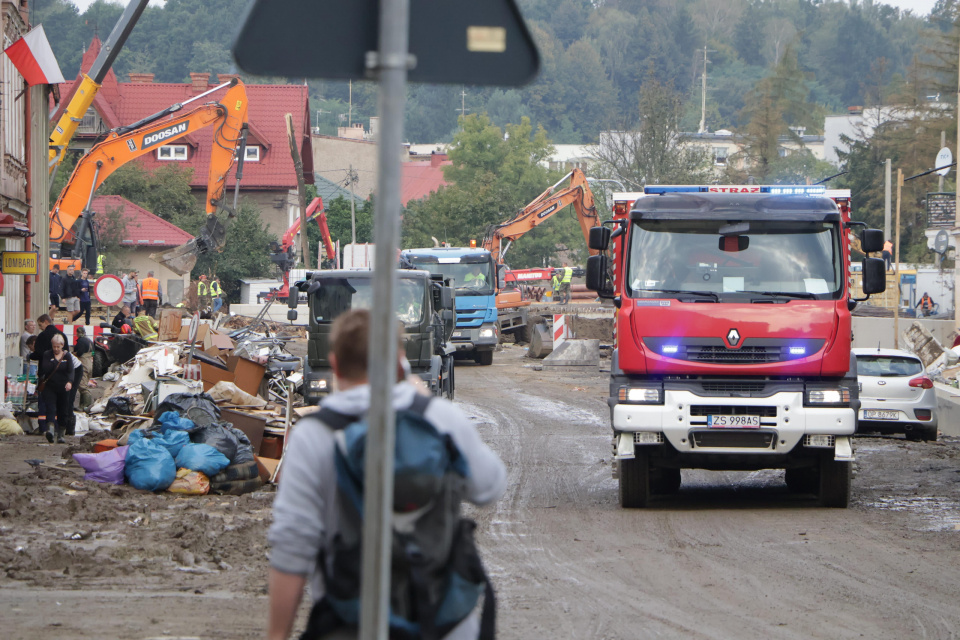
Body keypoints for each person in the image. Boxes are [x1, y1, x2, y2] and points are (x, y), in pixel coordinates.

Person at [267, 309, 507, 640]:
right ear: (399, 361)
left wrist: (277, 634)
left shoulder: (314, 435)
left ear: (335, 365)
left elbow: (292, 546)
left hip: (352, 622)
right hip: (444, 624)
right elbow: (490, 487)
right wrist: (428, 408)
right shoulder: (439, 417)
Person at [37, 334, 74, 443]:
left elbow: (71, 370)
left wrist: (70, 382)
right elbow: (45, 367)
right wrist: (56, 361)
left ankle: (61, 434)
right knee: (51, 408)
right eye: (54, 347)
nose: (56, 349)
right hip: (50, 386)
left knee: (63, 410)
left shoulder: (67, 356)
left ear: (62, 345)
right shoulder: (47, 354)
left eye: (58, 347)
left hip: (63, 387)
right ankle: (50, 431)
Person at [74, 327, 94, 412]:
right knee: (84, 383)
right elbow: (93, 352)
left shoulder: (81, 341)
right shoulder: (89, 341)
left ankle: (86, 405)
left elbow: (79, 352)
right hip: (90, 363)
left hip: (83, 363)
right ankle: (81, 405)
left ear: (78, 333)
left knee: (82, 386)